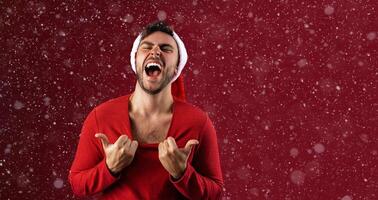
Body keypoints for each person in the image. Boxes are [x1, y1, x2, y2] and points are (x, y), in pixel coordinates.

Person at [68, 21, 224, 199]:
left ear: (176, 68)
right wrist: (109, 168)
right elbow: (77, 185)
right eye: (146, 47)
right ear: (135, 60)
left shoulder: (198, 122)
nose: (155, 51)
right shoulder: (101, 116)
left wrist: (182, 173)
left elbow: (216, 192)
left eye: (166, 48)